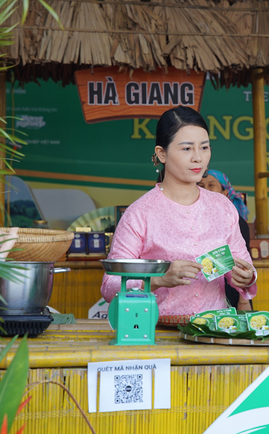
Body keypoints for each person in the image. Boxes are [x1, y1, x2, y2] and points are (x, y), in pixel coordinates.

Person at [101, 106, 257, 315]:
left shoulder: (222, 208)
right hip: (156, 333)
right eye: (186, 149)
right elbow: (110, 285)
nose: (198, 158)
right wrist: (158, 279)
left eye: (204, 147)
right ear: (161, 154)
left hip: (214, 332)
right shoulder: (140, 214)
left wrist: (246, 277)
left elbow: (244, 265)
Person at [198, 169, 252, 311]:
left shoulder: (236, 222)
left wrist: (243, 301)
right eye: (201, 186)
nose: (206, 190)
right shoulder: (195, 219)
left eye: (211, 185)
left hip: (231, 290)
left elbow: (244, 263)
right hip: (200, 292)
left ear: (225, 193)